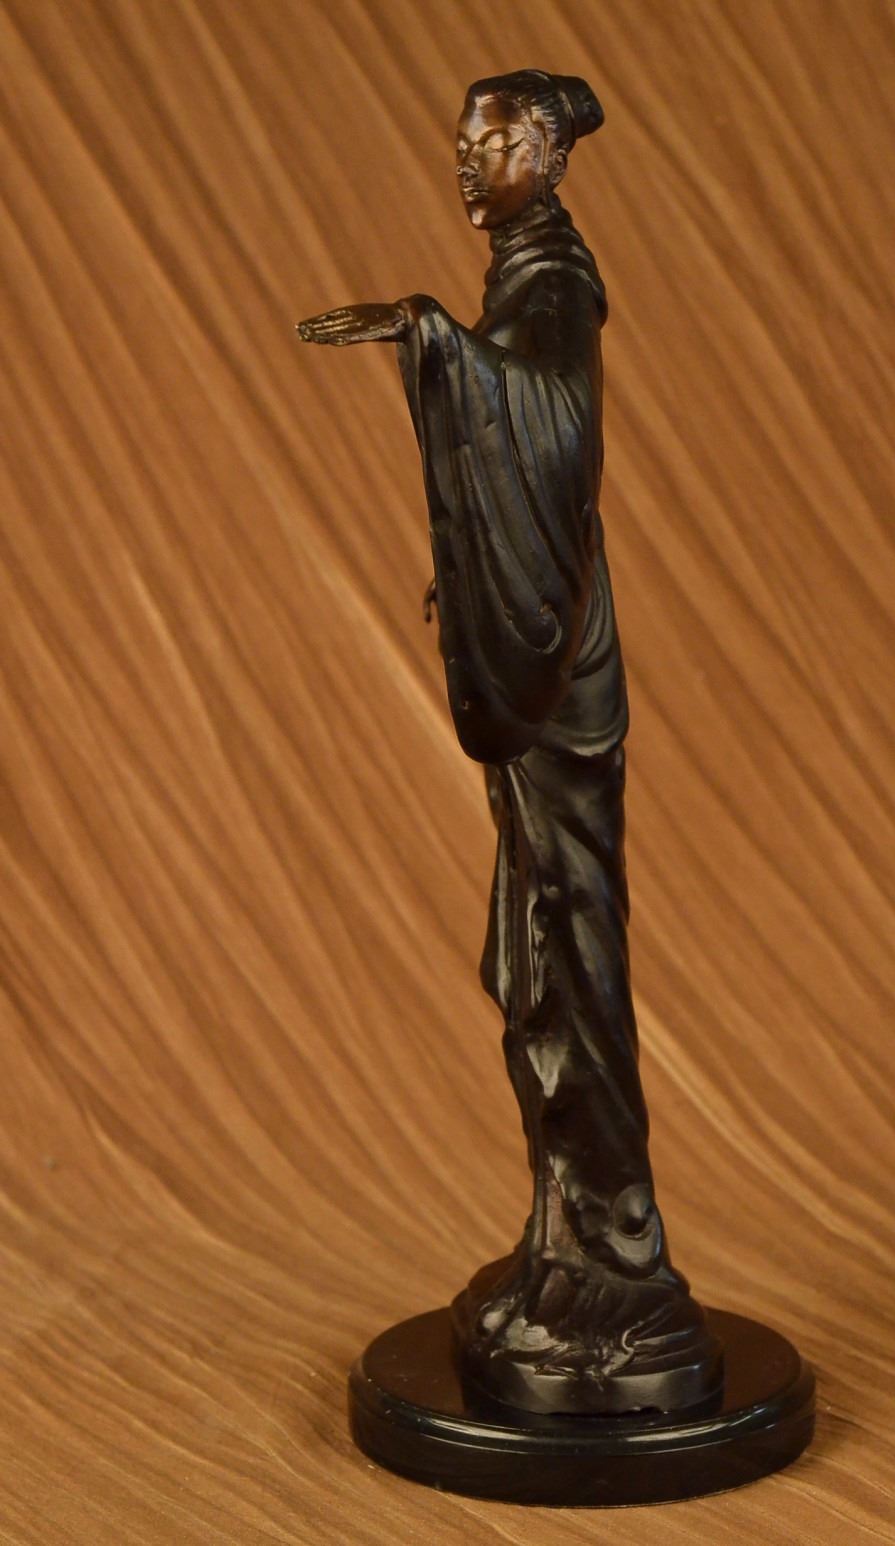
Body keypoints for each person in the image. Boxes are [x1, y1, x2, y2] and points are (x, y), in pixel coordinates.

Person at [298, 69, 721, 1414]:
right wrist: (482, 566)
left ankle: (622, 1262)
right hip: (550, 643)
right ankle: (567, 1242)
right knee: (545, 957)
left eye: (492, 139)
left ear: (547, 149)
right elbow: (526, 463)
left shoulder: (554, 284)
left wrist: (428, 332)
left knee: (575, 958)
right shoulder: (525, 277)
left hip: (563, 674)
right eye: (462, 141)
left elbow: (555, 431)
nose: (467, 159)